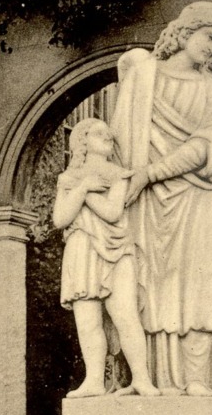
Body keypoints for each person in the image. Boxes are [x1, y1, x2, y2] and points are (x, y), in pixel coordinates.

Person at [111, 1, 212, 396]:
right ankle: (144, 377)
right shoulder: (146, 77)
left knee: (197, 282)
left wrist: (151, 172)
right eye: (209, 36)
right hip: (146, 204)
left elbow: (208, 148)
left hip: (197, 200)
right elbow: (119, 140)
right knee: (148, 283)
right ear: (185, 33)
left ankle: (195, 379)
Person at [52, 117, 159, 398]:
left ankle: (142, 379)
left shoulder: (119, 175)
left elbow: (113, 212)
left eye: (109, 135)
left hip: (116, 249)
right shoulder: (67, 179)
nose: (108, 136)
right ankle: (94, 380)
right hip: (81, 248)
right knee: (87, 321)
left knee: (125, 314)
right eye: (100, 133)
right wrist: (83, 186)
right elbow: (61, 218)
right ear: (83, 141)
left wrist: (84, 193)